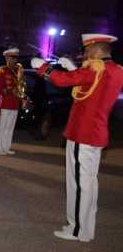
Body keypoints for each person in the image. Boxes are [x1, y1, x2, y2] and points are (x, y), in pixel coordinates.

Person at [31, 33, 123, 243]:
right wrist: (75, 69)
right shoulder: (115, 70)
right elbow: (91, 87)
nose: (84, 54)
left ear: (96, 49)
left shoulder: (96, 68)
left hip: (83, 133)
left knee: (80, 185)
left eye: (87, 50)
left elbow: (62, 81)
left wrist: (44, 68)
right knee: (90, 183)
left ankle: (77, 230)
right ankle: (86, 228)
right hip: (96, 133)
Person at [0, 48, 25, 156]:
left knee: (10, 127)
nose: (15, 60)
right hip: (5, 103)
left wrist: (22, 96)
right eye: (12, 57)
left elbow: (21, 86)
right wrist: (10, 90)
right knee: (2, 127)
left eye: (16, 57)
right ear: (7, 58)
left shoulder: (18, 71)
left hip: (14, 103)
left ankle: (6, 147)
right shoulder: (2, 70)